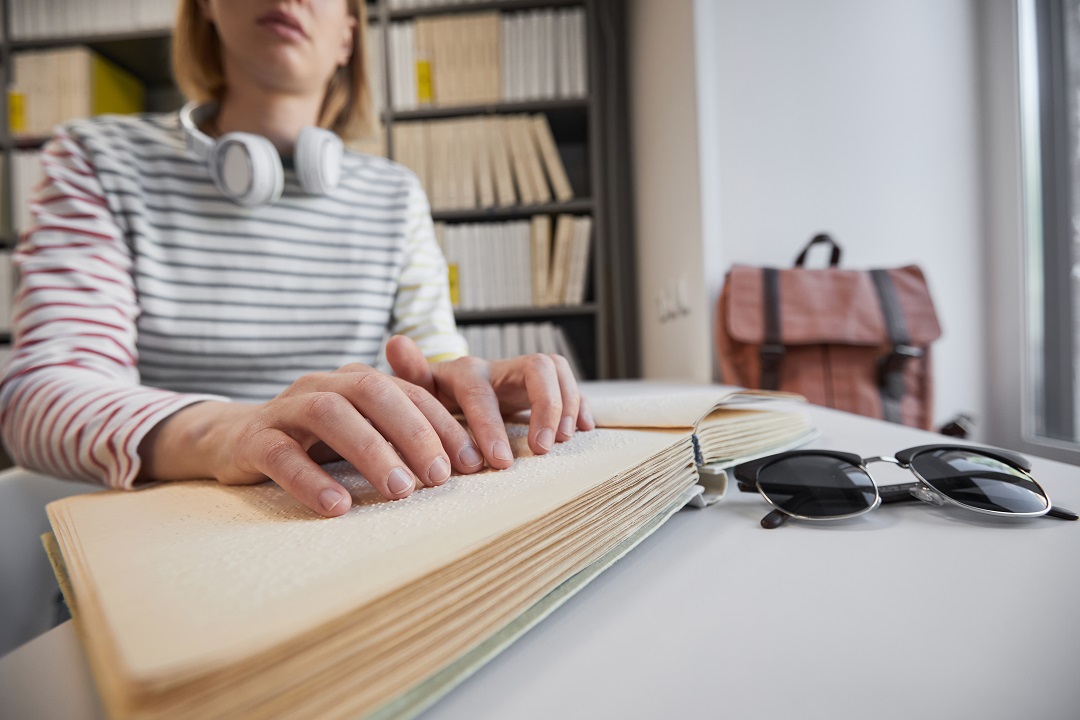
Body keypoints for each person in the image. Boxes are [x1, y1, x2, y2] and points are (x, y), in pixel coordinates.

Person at [0, 0, 593, 518]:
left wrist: (467, 388)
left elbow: (429, 363)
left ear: (348, 38)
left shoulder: (393, 195)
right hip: (170, 526)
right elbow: (42, 398)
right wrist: (230, 433)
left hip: (349, 514)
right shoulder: (97, 160)